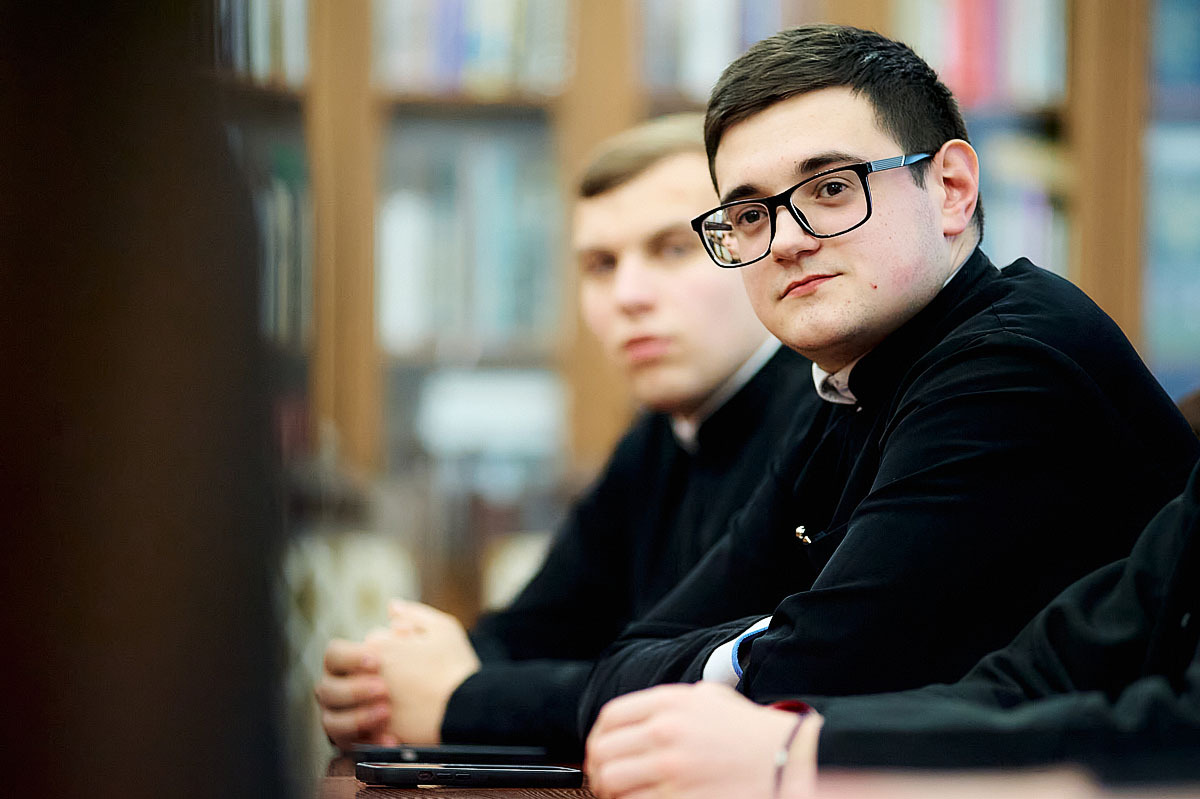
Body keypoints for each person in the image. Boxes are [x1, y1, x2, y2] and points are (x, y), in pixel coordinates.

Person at [575, 23, 1200, 734]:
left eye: (832, 188)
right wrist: (762, 644)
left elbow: (815, 679)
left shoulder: (1010, 364)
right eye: (749, 215)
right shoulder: (844, 385)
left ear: (951, 189)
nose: (786, 241)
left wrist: (751, 650)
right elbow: (619, 670)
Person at [314, 114, 820, 754]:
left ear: (753, 245)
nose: (628, 295)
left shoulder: (823, 417)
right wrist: (389, 684)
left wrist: (461, 697)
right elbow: (539, 629)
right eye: (600, 264)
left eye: (672, 249)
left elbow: (707, 685)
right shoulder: (658, 437)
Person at [584, 457, 1200, 797]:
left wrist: (797, 750)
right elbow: (1030, 680)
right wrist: (784, 733)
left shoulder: (1004, 357)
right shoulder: (836, 393)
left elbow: (1180, 736)